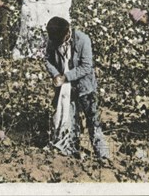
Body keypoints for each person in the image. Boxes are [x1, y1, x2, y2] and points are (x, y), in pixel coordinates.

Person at [44, 16, 109, 160]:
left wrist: (66, 77)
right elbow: (47, 59)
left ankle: (102, 153)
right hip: (66, 90)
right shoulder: (53, 39)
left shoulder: (82, 40)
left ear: (67, 33)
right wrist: (55, 74)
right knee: (70, 118)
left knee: (93, 120)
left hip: (85, 87)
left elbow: (86, 67)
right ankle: (71, 148)